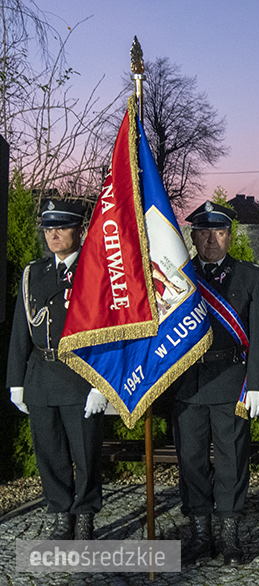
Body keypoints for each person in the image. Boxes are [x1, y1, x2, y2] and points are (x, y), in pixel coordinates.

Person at [174, 201, 259, 566]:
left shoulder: (249, 275)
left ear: (230, 236)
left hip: (231, 381)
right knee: (191, 460)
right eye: (203, 232)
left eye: (219, 232)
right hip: (187, 383)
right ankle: (201, 534)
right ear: (193, 237)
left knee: (232, 460)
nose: (211, 240)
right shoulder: (177, 278)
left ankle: (229, 533)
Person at [7, 199, 108, 540]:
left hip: (81, 377)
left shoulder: (96, 272)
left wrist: (101, 384)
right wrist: (16, 381)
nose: (53, 235)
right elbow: (21, 330)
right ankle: (60, 513)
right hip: (41, 376)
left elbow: (109, 333)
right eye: (48, 228)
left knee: (86, 454)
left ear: (79, 230)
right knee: (49, 454)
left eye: (62, 227)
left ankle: (85, 515)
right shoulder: (34, 273)